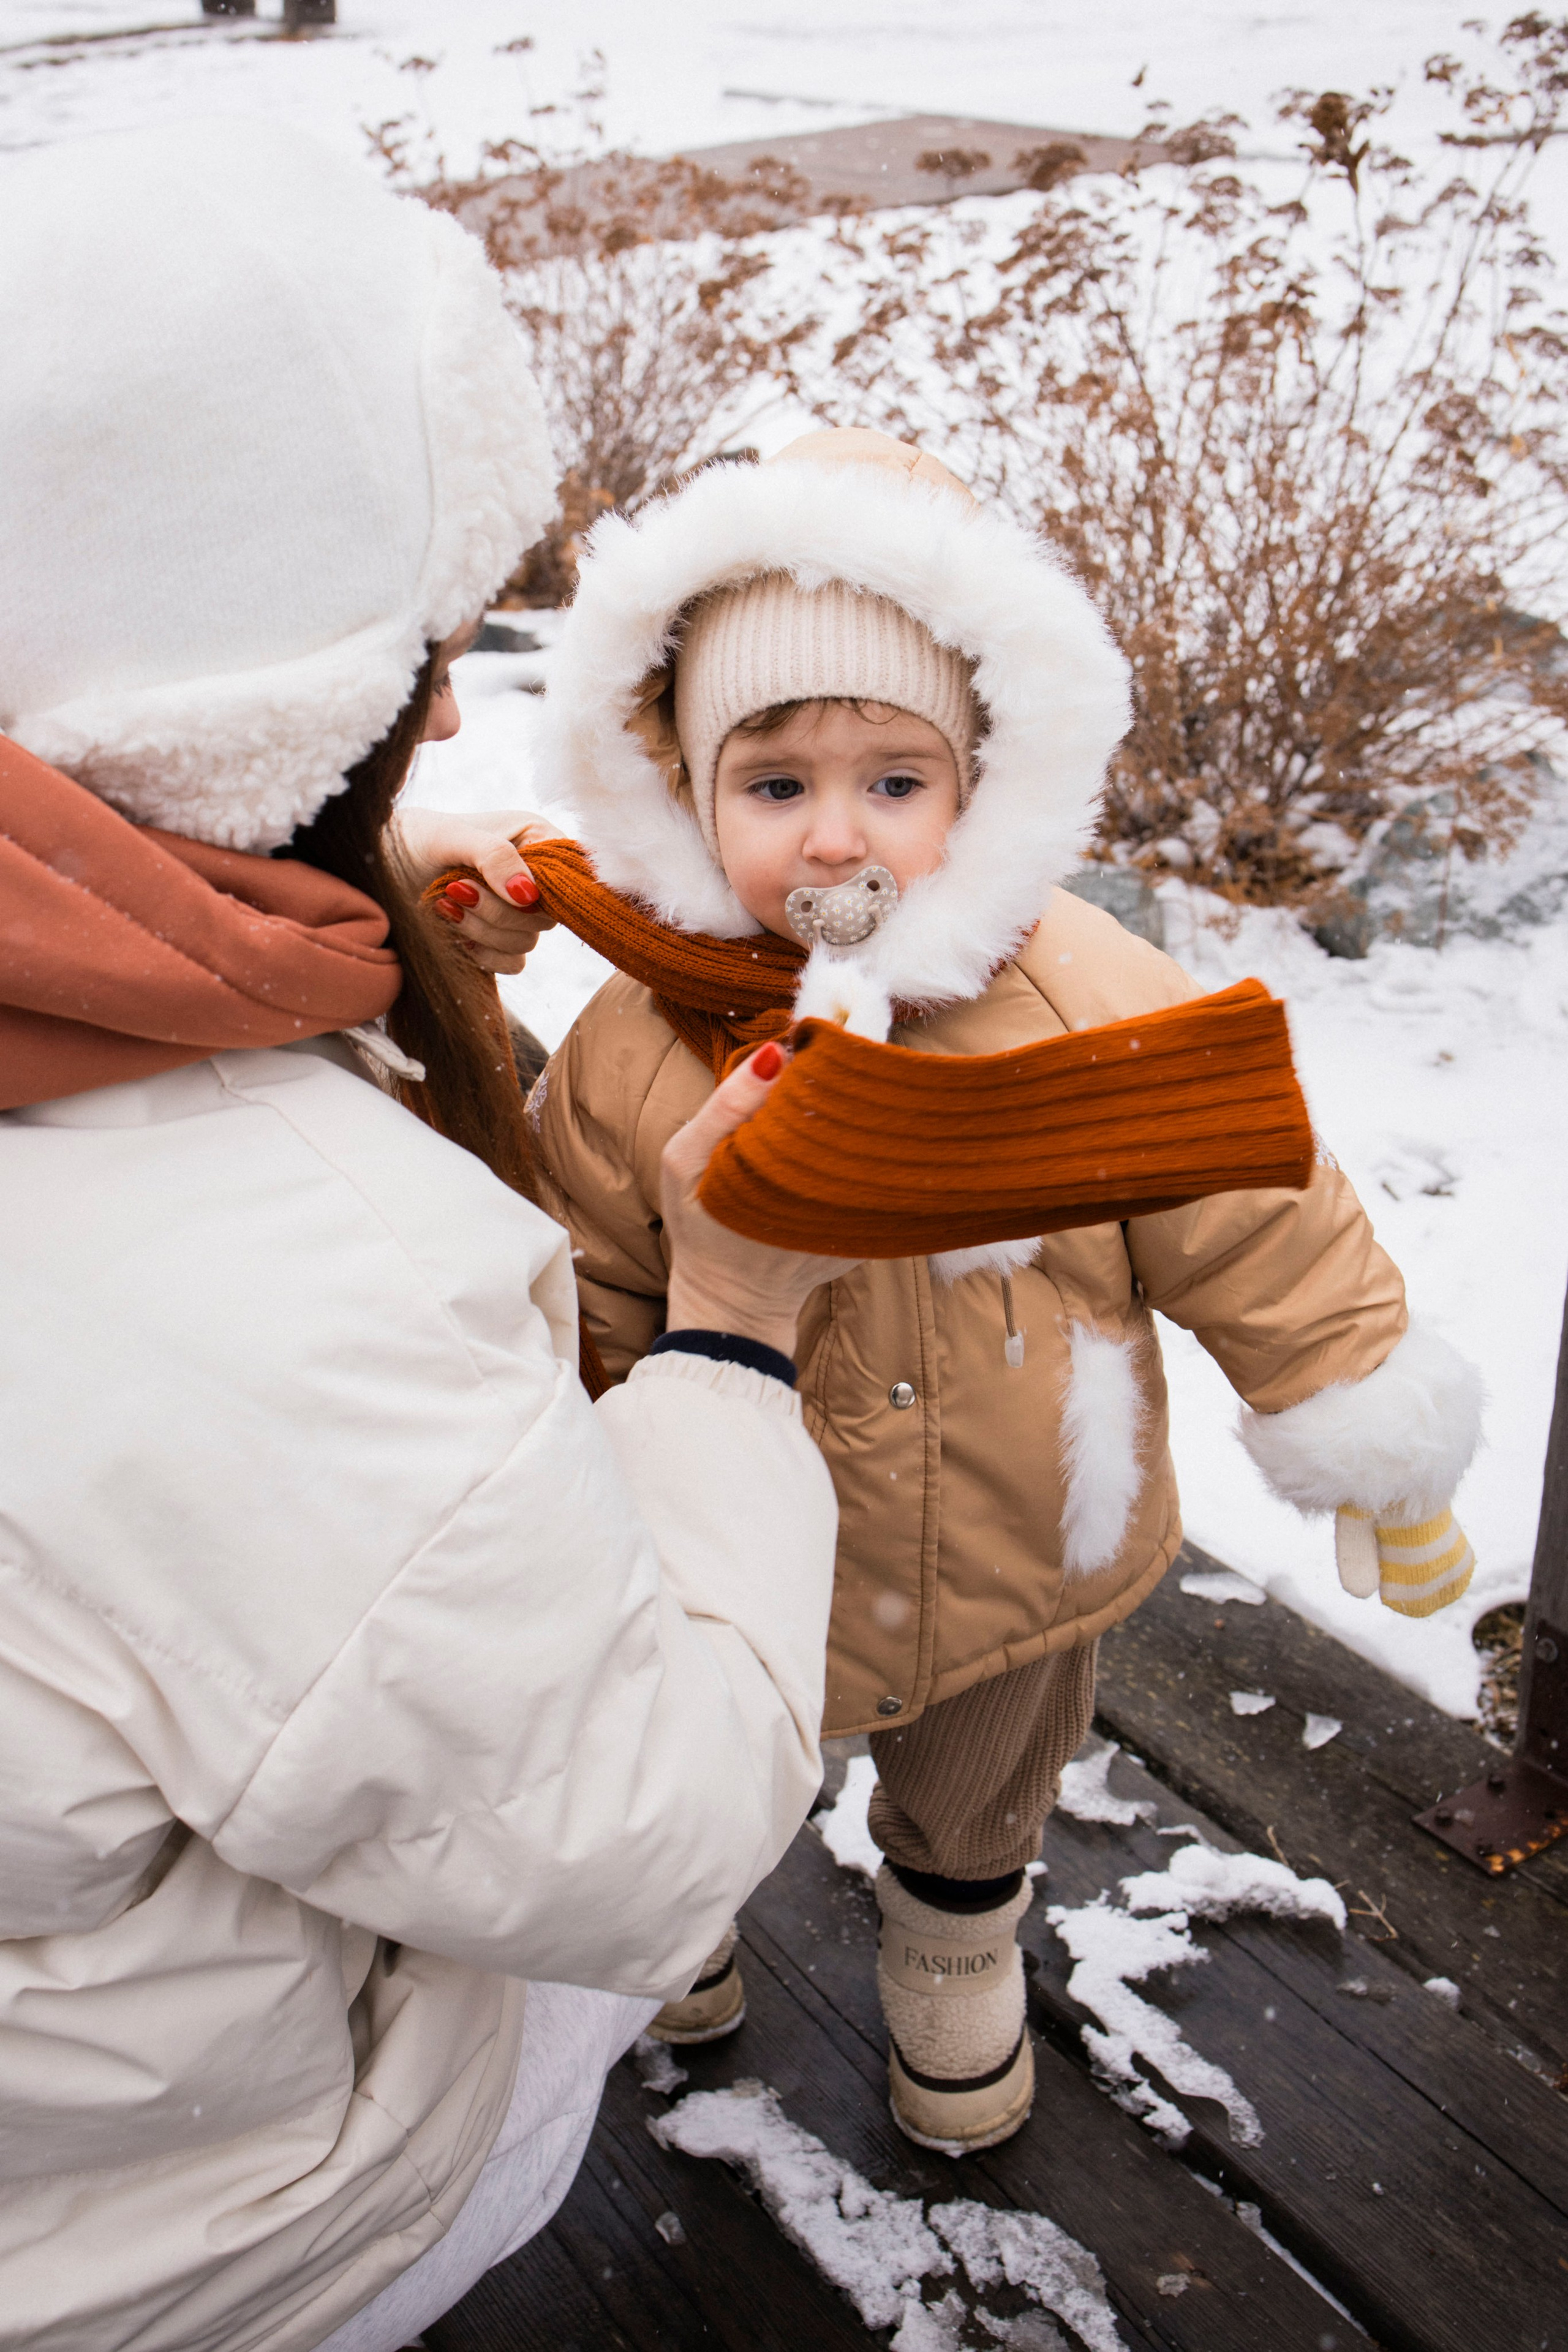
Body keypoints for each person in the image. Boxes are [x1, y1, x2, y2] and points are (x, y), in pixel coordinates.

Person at [0, 123, 850, 2352]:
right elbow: (643, 1835)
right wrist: (737, 1346)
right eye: (418, 652)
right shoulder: (291, 1276)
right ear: (255, 715)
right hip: (138, 2255)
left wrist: (325, 949)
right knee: (559, 1959)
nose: (455, 709)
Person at [454, 427, 1481, 2156]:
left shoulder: (1083, 997)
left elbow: (1251, 1200)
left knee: (978, 1790)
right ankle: (678, 1933)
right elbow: (586, 1274)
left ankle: (951, 1956)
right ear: (686, 792)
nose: (835, 835)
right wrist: (576, 1465)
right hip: (731, 1540)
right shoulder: (646, 1036)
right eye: (774, 785)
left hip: (1020, 1539)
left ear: (983, 785)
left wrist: (1363, 1427)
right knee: (704, 1751)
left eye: (896, 781)